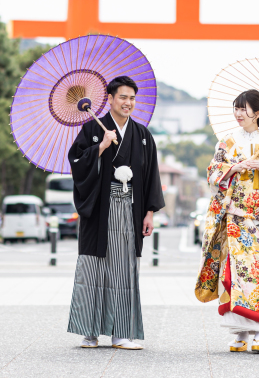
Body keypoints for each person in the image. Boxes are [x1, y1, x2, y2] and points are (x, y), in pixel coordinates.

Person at [66, 76, 165, 350]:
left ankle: (122, 333)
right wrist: (100, 147)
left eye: (132, 98)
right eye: (122, 97)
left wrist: (149, 213)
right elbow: (76, 163)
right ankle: (90, 331)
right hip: (99, 208)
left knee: (123, 269)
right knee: (93, 268)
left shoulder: (143, 136)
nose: (128, 103)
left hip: (129, 209)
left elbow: (151, 176)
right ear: (109, 99)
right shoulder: (92, 130)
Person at [195, 89, 259, 354]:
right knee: (234, 273)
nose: (239, 114)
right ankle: (238, 333)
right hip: (234, 218)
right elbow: (213, 171)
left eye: (244, 109)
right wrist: (234, 168)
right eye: (236, 108)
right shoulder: (227, 142)